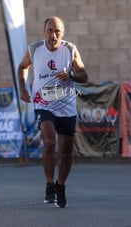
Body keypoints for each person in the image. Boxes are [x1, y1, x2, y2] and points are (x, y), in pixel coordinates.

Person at [18, 16, 88, 208]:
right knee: (49, 141)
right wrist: (23, 88)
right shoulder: (34, 49)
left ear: (62, 33)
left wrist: (71, 74)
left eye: (57, 31)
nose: (53, 35)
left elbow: (84, 76)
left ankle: (60, 186)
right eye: (50, 30)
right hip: (43, 104)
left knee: (65, 151)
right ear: (44, 32)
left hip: (66, 105)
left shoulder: (70, 49)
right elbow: (22, 67)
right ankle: (49, 183)